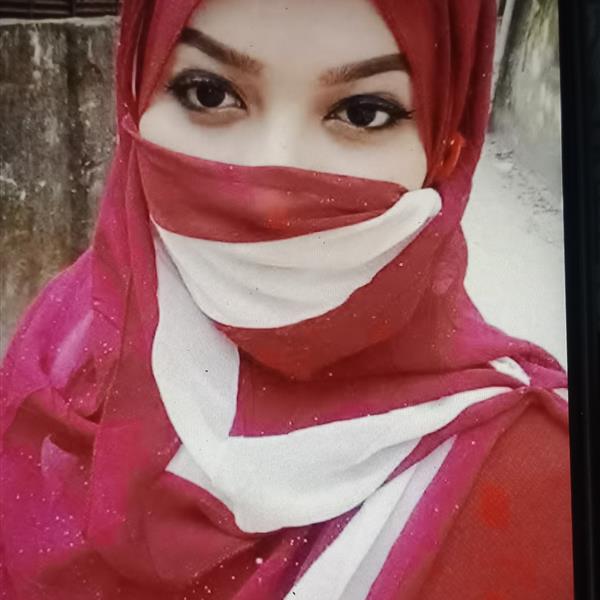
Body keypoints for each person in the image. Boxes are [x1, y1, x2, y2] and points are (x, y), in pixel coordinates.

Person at [0, 1, 573, 598]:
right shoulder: (64, 336)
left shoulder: (540, 485)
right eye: (208, 94)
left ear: (444, 150)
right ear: (134, 99)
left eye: (363, 112)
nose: (269, 197)